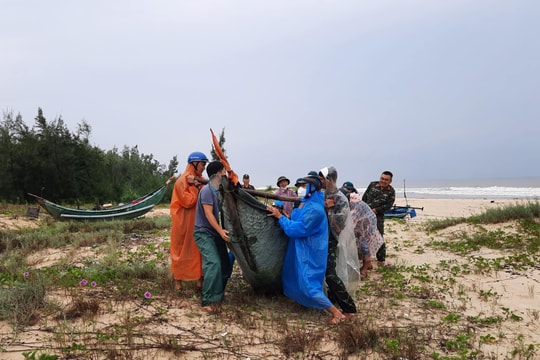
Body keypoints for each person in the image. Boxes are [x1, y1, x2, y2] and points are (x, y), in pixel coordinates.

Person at [267, 174, 349, 324]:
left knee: (309, 283)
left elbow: (297, 229)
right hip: (301, 249)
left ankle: (337, 313)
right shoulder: (306, 203)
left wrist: (280, 217)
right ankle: (305, 302)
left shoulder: (315, 210)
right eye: (299, 186)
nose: (300, 189)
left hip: (311, 251)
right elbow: (295, 218)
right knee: (295, 276)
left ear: (311, 188)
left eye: (304, 186)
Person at [318, 166, 358, 318]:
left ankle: (348, 308)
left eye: (322, 178)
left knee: (329, 274)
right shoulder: (322, 195)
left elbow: (339, 224)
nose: (320, 181)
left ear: (330, 179)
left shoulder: (340, 198)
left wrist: (328, 210)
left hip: (331, 241)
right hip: (320, 239)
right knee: (323, 272)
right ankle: (332, 298)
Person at [194, 161, 231, 311]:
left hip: (214, 232)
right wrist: (221, 231)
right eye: (224, 172)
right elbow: (209, 214)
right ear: (217, 173)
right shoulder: (207, 191)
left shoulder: (217, 190)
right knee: (213, 263)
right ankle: (208, 300)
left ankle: (218, 293)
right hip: (203, 232)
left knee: (225, 264)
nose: (225, 174)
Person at [170, 151, 208, 291]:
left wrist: (198, 185)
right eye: (203, 164)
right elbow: (188, 201)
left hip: (196, 222)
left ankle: (200, 280)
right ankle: (178, 282)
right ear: (195, 163)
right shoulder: (182, 180)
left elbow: (206, 195)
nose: (204, 167)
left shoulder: (200, 179)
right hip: (182, 222)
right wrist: (195, 187)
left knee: (197, 250)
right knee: (179, 250)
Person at [362, 171, 396, 265]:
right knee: (364, 235)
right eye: (382, 178)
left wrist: (376, 210)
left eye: (386, 180)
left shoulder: (391, 192)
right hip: (366, 214)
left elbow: (388, 205)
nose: (383, 181)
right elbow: (364, 197)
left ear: (390, 181)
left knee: (379, 236)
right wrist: (363, 208)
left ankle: (381, 259)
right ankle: (364, 257)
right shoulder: (372, 185)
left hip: (378, 216)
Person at [348, 192, 384, 278]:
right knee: (359, 243)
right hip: (360, 222)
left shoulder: (356, 204)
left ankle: (365, 267)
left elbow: (351, 221)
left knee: (364, 245)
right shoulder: (348, 202)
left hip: (367, 223)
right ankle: (368, 263)